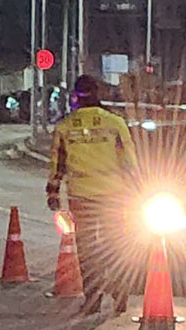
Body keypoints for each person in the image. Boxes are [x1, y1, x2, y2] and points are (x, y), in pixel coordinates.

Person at [46, 75, 139, 315]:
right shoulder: (115, 123)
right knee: (117, 245)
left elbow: (58, 163)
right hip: (114, 196)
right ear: (98, 93)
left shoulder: (65, 127)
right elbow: (129, 162)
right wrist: (138, 188)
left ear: (76, 96)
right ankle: (121, 295)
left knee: (87, 250)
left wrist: (53, 191)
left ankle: (92, 300)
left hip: (81, 196)